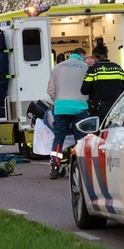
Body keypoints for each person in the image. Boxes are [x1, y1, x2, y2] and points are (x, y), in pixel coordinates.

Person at [45, 47, 89, 180]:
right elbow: (89, 88)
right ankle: (80, 166)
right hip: (80, 107)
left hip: (61, 108)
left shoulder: (57, 67)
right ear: (81, 55)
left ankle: (55, 165)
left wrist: (58, 101)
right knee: (80, 138)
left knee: (59, 138)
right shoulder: (85, 67)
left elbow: (50, 90)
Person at [81, 42, 124, 122]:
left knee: (99, 133)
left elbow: (84, 90)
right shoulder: (118, 69)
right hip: (116, 108)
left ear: (95, 56)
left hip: (99, 110)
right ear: (106, 55)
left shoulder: (93, 70)